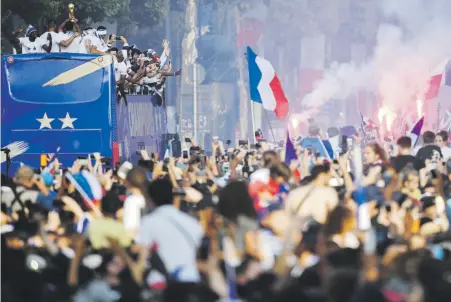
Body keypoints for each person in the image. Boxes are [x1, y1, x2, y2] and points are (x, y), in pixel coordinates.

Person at [131, 178, 204, 289]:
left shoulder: (149, 222)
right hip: (191, 280)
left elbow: (143, 257)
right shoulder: (192, 222)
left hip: (162, 284)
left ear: (150, 199)